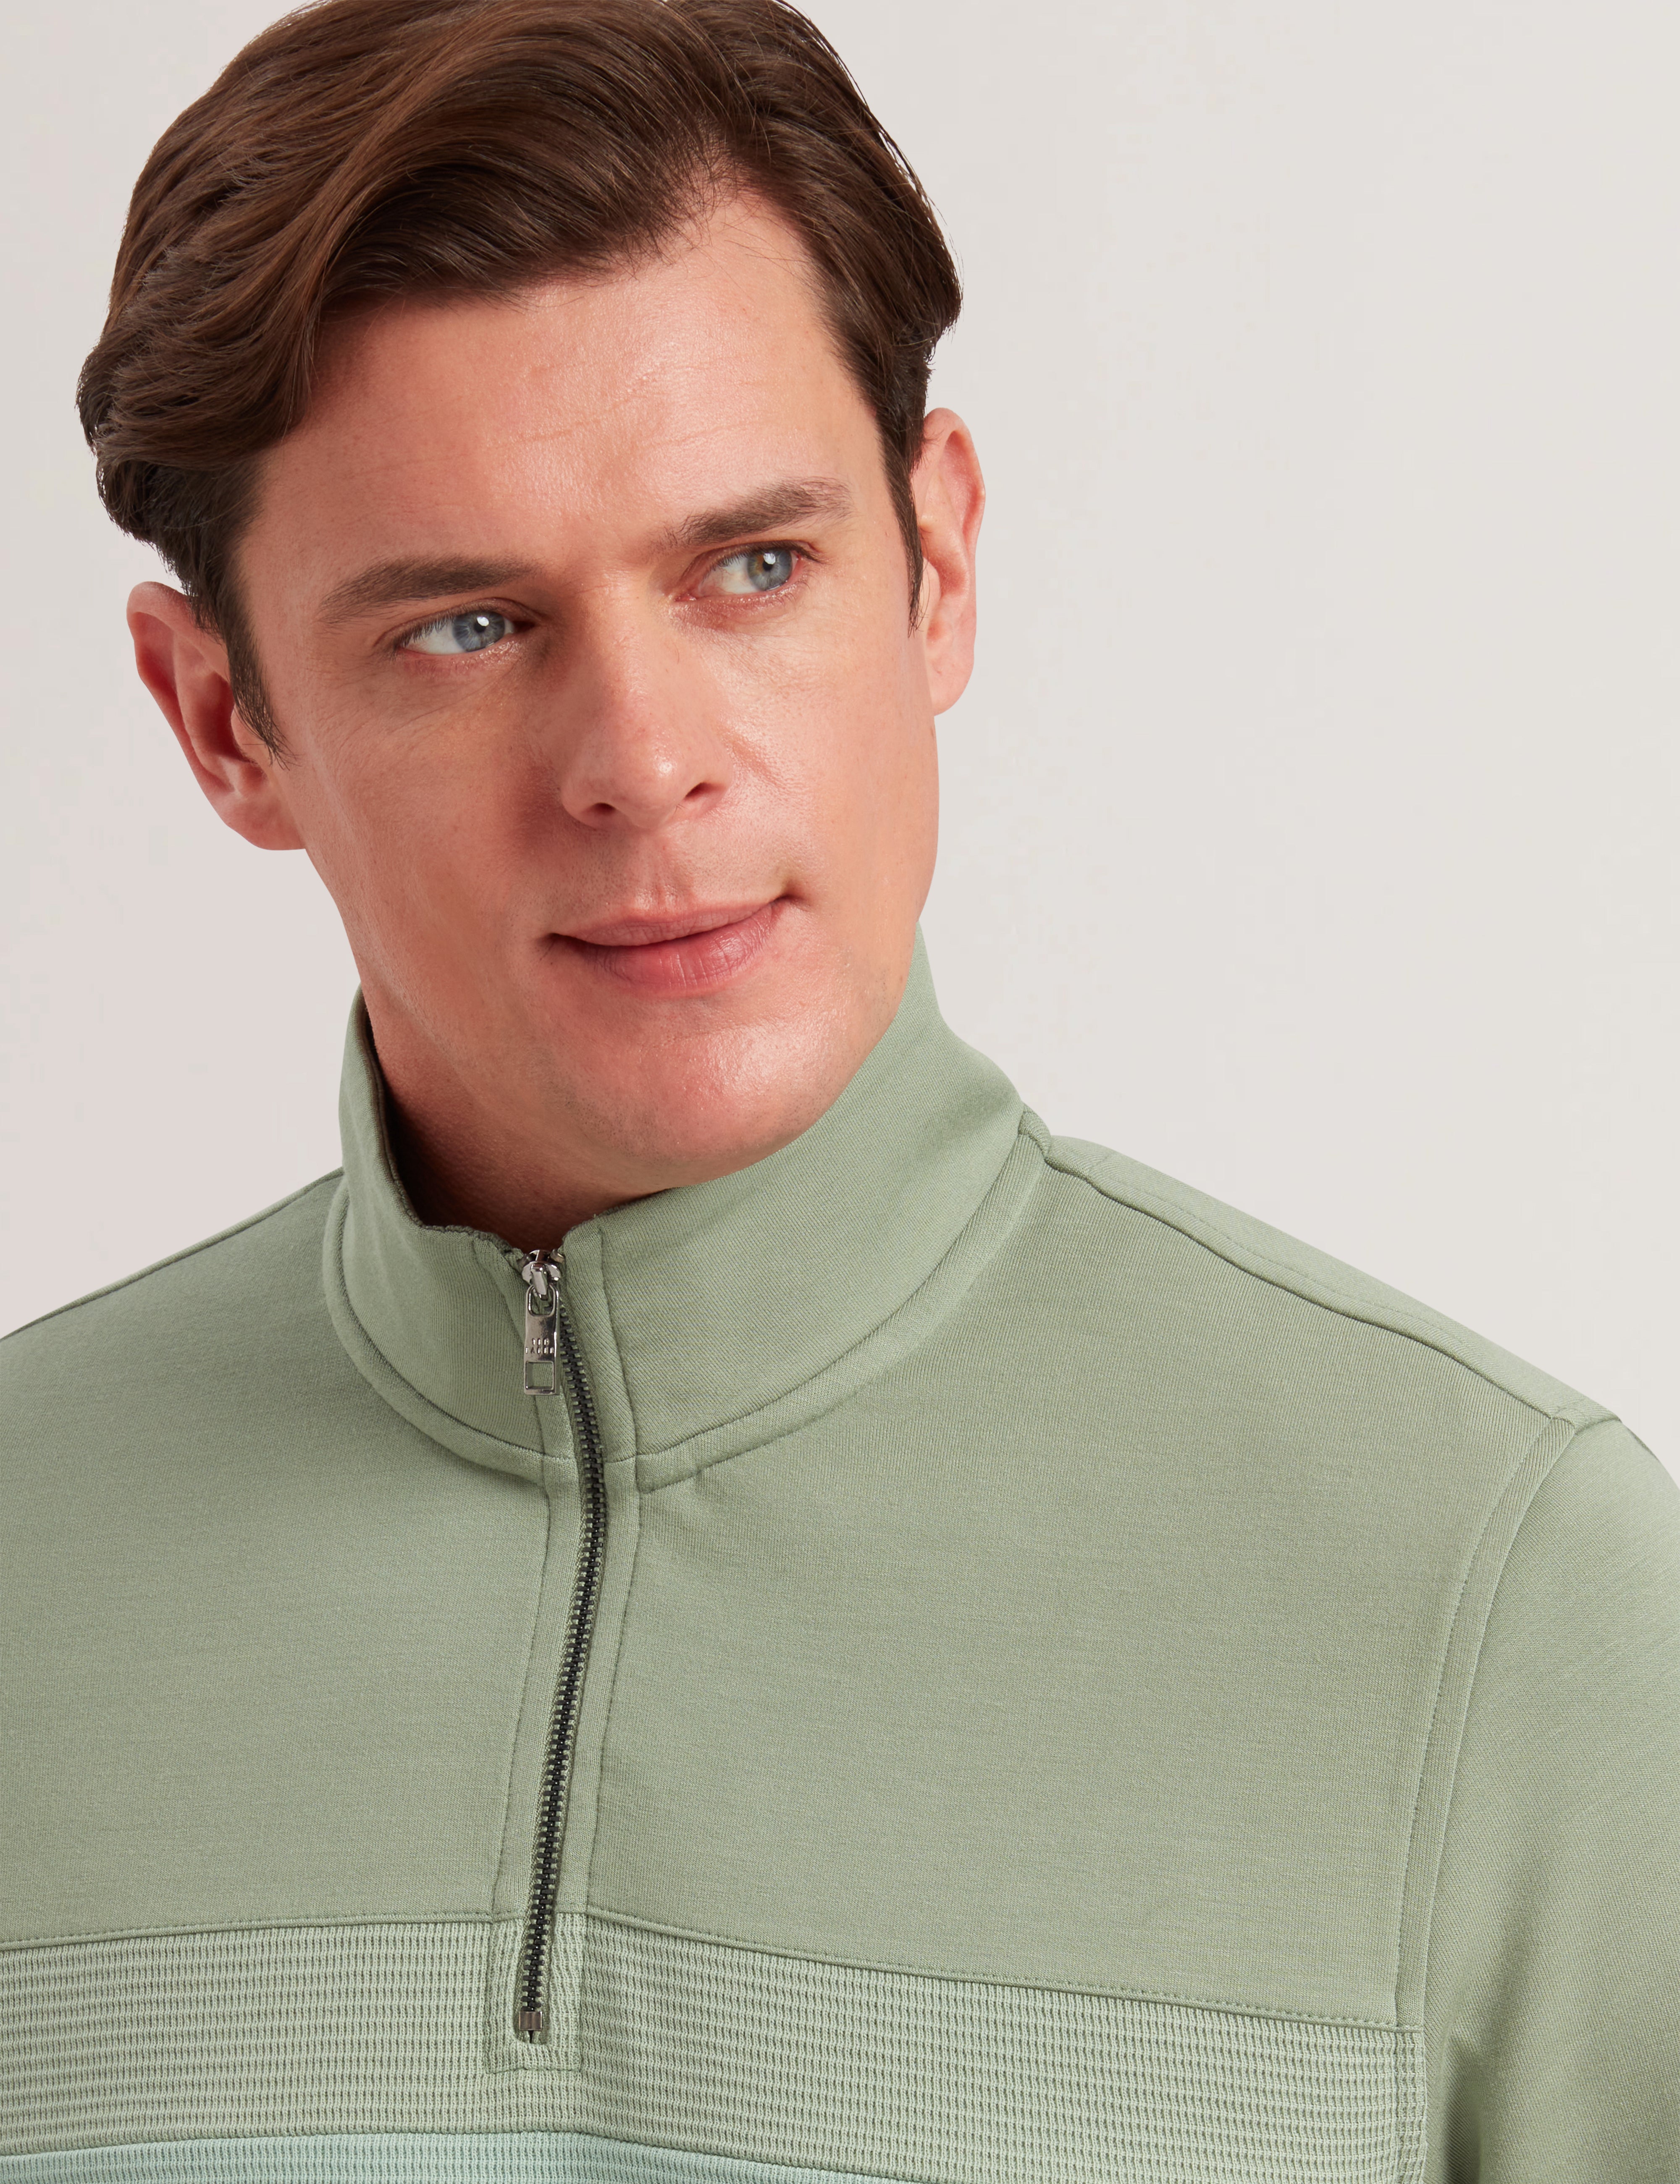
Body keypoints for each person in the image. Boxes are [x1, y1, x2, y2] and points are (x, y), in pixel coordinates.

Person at [3, 0, 1675, 2175]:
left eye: (753, 568)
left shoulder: (1505, 1604)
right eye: (467, 627)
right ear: (222, 721)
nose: (643, 762)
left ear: (939, 565)